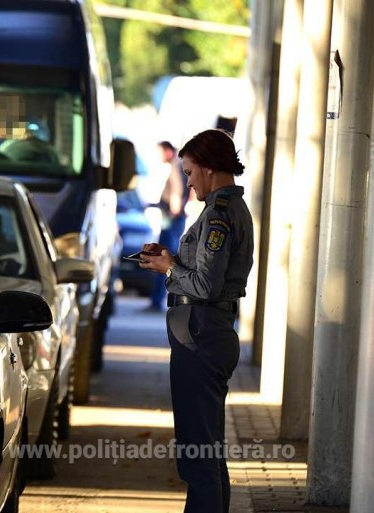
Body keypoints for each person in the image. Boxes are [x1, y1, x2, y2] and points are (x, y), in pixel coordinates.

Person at [138, 129, 254, 513]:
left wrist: (170, 268)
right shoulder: (219, 210)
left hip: (201, 335)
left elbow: (205, 283)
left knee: (198, 453)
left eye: (189, 172)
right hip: (204, 333)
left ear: (207, 168)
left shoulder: (220, 215)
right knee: (206, 447)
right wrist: (170, 259)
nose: (187, 181)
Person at [147, 141, 191, 312]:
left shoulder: (175, 166)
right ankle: (158, 299)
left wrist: (174, 208)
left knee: (163, 256)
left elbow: (177, 191)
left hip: (172, 218)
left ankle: (158, 300)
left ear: (167, 152)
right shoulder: (178, 165)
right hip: (173, 217)